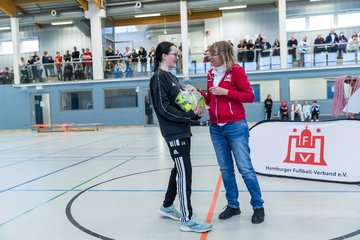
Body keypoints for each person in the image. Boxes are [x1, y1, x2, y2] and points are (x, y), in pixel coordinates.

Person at [149, 41, 212, 233]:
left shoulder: (172, 78)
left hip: (183, 130)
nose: (177, 57)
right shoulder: (159, 77)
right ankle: (187, 218)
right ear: (163, 56)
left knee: (179, 170)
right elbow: (163, 107)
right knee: (185, 172)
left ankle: (167, 206)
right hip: (174, 132)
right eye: (174, 54)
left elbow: (180, 104)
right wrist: (188, 116)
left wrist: (194, 103)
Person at [200, 40, 265, 224]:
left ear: (223, 55)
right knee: (226, 170)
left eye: (213, 54)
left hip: (236, 126)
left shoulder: (236, 71)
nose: (209, 57)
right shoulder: (211, 73)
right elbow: (211, 98)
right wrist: (197, 93)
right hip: (216, 128)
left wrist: (225, 92)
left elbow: (249, 96)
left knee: (245, 169)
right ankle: (233, 205)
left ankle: (258, 206)